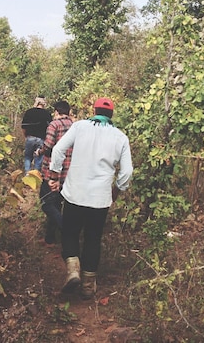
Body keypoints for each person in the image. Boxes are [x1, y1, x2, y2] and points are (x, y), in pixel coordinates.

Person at [48, 97, 133, 299]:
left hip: (75, 193)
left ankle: (73, 271)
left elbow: (58, 149)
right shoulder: (120, 137)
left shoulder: (80, 127)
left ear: (93, 110)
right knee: (93, 239)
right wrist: (117, 190)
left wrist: (54, 176)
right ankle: (88, 286)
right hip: (100, 199)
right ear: (112, 114)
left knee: (69, 233)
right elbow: (127, 172)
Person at [39, 100, 73, 245]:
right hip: (69, 172)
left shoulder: (54, 125)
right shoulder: (74, 126)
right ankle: (50, 237)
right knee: (57, 203)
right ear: (68, 112)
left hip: (52, 172)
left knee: (45, 202)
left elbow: (48, 146)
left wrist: (39, 151)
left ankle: (65, 228)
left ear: (56, 111)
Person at [21, 96, 52, 174]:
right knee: (39, 158)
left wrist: (26, 136)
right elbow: (50, 129)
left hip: (30, 138)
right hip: (41, 139)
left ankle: (27, 175)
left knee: (28, 157)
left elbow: (23, 127)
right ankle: (36, 176)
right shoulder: (47, 114)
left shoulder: (29, 112)